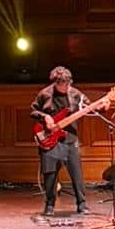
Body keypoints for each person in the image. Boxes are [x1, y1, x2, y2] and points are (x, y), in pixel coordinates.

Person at [30, 65, 88, 215]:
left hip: (70, 138)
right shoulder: (45, 94)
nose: (67, 87)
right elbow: (33, 111)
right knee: (50, 175)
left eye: (69, 83)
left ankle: (82, 204)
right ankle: (49, 205)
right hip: (50, 140)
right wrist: (45, 116)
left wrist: (103, 106)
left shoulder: (75, 94)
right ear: (56, 83)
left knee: (76, 172)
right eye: (63, 84)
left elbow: (89, 106)